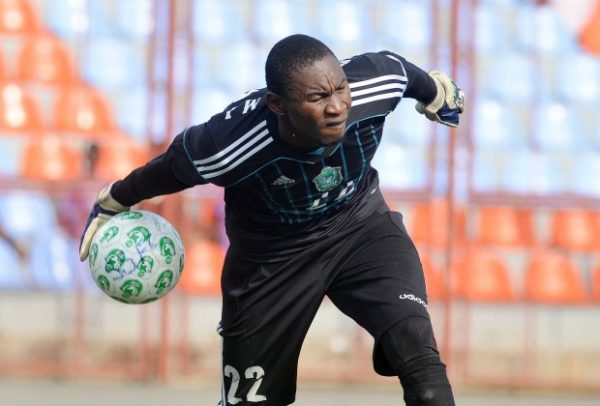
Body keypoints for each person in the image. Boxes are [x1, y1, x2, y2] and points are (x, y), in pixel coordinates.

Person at [79, 34, 464, 406]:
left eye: (340, 90)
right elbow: (168, 170)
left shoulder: (376, 82)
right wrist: (114, 200)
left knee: (423, 369)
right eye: (317, 97)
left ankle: (397, 334)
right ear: (278, 104)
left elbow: (407, 75)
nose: (336, 106)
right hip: (271, 261)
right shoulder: (226, 146)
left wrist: (436, 93)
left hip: (359, 227)